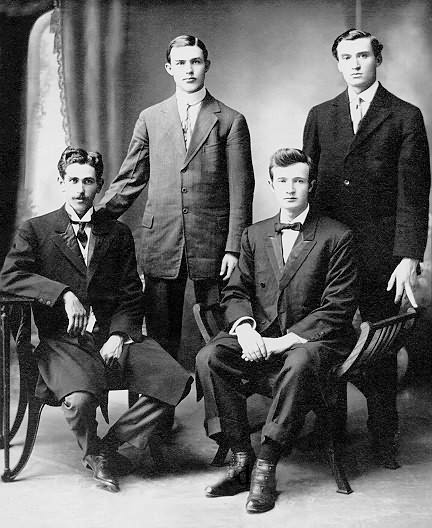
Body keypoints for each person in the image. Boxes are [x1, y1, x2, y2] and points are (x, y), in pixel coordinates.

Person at [0, 147, 192, 493]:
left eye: (88, 182)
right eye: (72, 180)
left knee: (175, 380)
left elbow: (132, 293)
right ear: (61, 183)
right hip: (62, 341)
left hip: (111, 336)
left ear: (99, 186)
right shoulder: (36, 230)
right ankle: (94, 452)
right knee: (80, 401)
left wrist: (120, 335)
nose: (79, 189)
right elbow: (8, 278)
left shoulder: (116, 234)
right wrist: (62, 294)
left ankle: (110, 449)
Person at [195, 148, 357, 513]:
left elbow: (338, 307)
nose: (289, 189)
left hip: (314, 340)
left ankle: (266, 465)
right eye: (282, 181)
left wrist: (282, 341)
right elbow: (235, 291)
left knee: (299, 362)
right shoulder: (254, 235)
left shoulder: (337, 236)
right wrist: (247, 329)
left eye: (298, 181)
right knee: (210, 356)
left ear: (310, 185)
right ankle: (241, 460)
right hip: (262, 335)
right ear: (271, 185)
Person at [302, 28, 431, 468]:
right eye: (346, 56)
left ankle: (383, 436)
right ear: (337, 62)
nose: (354, 64)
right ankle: (329, 427)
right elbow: (310, 190)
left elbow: (415, 193)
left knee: (378, 345)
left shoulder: (404, 116)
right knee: (328, 336)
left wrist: (410, 256)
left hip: (382, 254)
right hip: (330, 251)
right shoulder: (321, 115)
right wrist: (306, 249)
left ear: (378, 59)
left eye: (363, 55)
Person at [97, 35, 254, 361]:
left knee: (221, 330)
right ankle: (160, 411)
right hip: (162, 240)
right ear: (169, 68)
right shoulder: (150, 118)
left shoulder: (229, 119)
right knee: (158, 336)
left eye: (195, 62)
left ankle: (220, 405)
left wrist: (233, 247)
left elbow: (242, 191)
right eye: (181, 63)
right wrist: (93, 216)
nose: (189, 69)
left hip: (213, 245)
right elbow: (130, 179)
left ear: (206, 66)